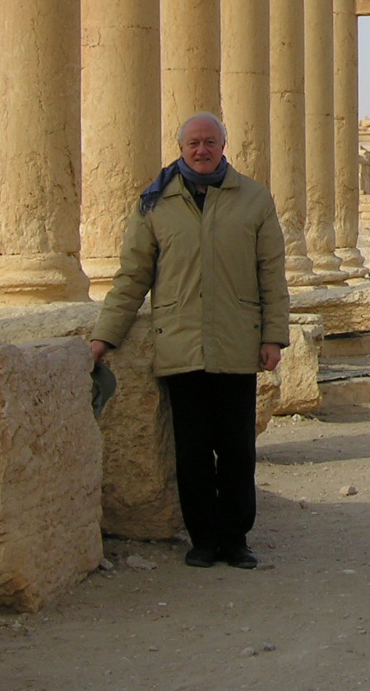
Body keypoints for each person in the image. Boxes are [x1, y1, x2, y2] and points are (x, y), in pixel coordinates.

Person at [91, 113, 290, 570]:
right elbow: (133, 275)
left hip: (237, 343)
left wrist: (274, 336)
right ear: (180, 148)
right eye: (194, 143)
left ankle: (236, 538)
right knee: (193, 449)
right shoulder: (155, 204)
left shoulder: (254, 199)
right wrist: (105, 336)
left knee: (237, 449)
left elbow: (271, 275)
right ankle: (203, 539)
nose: (202, 150)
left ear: (224, 145)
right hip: (180, 344)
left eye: (210, 142)